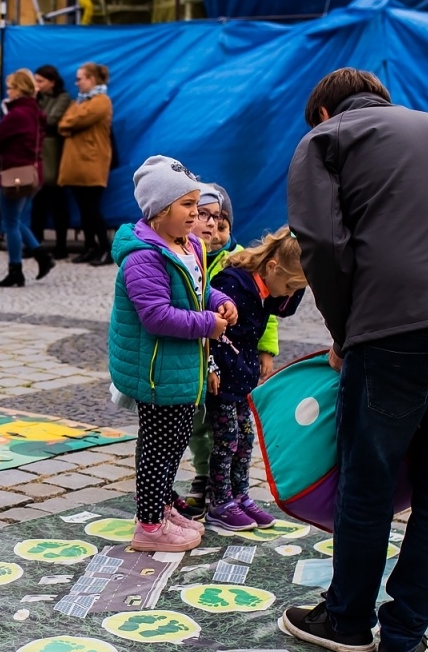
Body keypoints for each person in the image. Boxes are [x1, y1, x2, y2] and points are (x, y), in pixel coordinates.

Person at [282, 67, 428, 652]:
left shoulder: (326, 141)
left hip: (396, 325)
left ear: (324, 113)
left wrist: (344, 333)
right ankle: (406, 635)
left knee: (370, 477)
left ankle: (348, 621)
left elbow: (322, 244)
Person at [108, 156, 236, 552]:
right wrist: (207, 325)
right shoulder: (144, 256)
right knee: (157, 450)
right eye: (187, 205)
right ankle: (148, 527)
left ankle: (162, 506)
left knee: (175, 442)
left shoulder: (189, 244)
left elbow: (196, 291)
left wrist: (219, 299)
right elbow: (157, 316)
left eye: (196, 204)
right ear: (159, 210)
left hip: (181, 368)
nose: (196, 214)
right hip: (157, 372)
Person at [181, 184, 281, 521]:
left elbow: (264, 314)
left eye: (220, 222)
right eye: (204, 217)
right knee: (197, 427)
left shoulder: (236, 261)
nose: (212, 227)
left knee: (230, 431)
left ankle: (223, 489)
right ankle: (204, 479)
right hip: (195, 357)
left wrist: (267, 349)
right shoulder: (186, 257)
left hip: (230, 366)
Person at [205, 228, 307, 532]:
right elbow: (210, 326)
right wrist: (210, 365)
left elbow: (284, 308)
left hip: (243, 376)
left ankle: (240, 496)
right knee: (227, 441)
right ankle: (219, 503)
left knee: (246, 439)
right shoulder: (234, 283)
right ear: (272, 268)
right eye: (289, 285)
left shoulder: (269, 289)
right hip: (223, 376)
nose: (289, 293)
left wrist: (301, 280)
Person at [0, 68, 54, 287]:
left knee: (10, 223)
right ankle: (42, 256)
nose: (8, 91)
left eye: (11, 87)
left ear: (20, 89)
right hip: (33, 174)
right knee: (17, 219)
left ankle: (16, 270)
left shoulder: (17, 114)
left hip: (15, 174)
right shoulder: (36, 112)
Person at [59, 62, 114, 265]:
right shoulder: (78, 102)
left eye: (80, 78)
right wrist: (69, 124)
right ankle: (90, 247)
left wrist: (69, 124)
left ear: (92, 79)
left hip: (92, 162)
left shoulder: (101, 101)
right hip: (76, 164)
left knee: (92, 209)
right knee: (83, 210)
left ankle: (106, 249)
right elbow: (63, 123)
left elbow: (73, 121)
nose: (76, 82)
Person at [31, 64, 73, 256]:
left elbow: (52, 120)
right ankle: (35, 243)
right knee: (37, 201)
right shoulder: (37, 99)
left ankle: (61, 245)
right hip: (38, 153)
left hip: (53, 154)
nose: (37, 85)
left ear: (52, 82)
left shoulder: (62, 97)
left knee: (57, 202)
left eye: (40, 81)